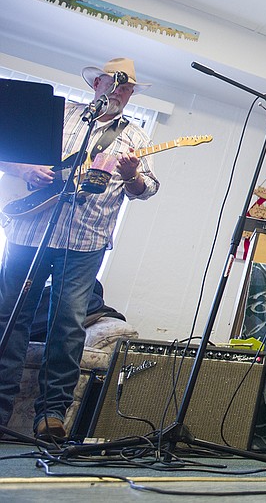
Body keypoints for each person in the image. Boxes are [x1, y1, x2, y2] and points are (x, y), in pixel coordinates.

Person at [0, 58, 159, 443]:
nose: (121, 92)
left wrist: (131, 176)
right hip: (29, 232)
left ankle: (51, 415)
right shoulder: (61, 116)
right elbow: (8, 151)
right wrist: (26, 171)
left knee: (67, 327)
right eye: (117, 83)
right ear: (97, 83)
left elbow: (148, 189)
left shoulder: (135, 136)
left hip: (85, 241)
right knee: (10, 317)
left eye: (128, 88)